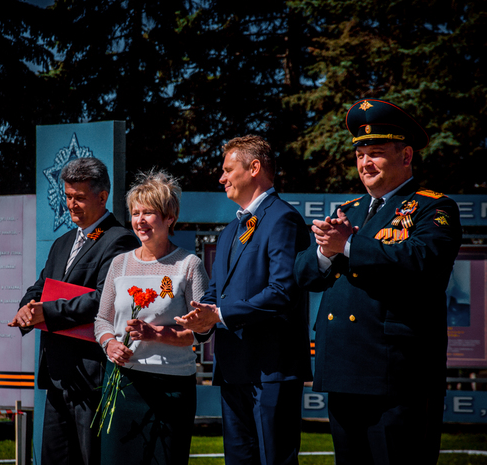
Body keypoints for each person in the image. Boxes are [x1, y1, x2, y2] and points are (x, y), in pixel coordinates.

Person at [294, 99, 463, 465]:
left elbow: (422, 262)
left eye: (376, 153)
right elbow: (305, 275)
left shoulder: (433, 207)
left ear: (406, 156)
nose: (365, 163)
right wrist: (325, 250)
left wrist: (348, 245)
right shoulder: (349, 211)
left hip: (396, 374)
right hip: (342, 369)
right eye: (360, 155)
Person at [176, 135, 311, 465]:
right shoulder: (229, 231)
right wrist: (201, 317)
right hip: (233, 369)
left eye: (227, 169)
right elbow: (216, 291)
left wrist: (219, 315)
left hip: (271, 370)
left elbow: (282, 292)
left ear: (254, 168)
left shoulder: (283, 218)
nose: (221, 178)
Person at [9, 157, 139, 465]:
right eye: (67, 196)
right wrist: (27, 308)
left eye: (78, 197)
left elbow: (103, 299)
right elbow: (40, 286)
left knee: (91, 458)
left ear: (102, 196)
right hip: (58, 374)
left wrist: (47, 312)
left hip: (91, 375)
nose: (70, 204)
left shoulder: (118, 239)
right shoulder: (63, 242)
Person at [94, 169, 210, 465]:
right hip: (122, 383)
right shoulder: (119, 264)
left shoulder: (188, 265)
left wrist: (155, 334)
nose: (140, 220)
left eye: (148, 213)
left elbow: (202, 331)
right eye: (135, 213)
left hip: (172, 388)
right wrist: (109, 344)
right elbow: (102, 320)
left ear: (170, 217)